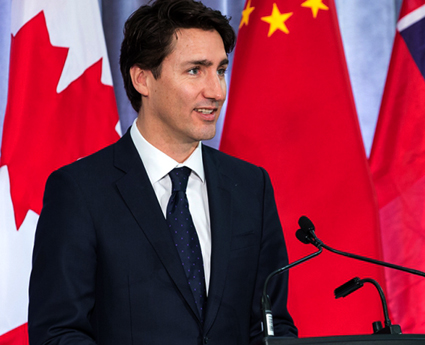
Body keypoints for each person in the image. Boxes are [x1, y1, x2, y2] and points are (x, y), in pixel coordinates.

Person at [27, 0, 297, 344]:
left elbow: (271, 325)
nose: (216, 91)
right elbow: (58, 333)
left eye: (220, 70)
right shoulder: (80, 190)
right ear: (143, 79)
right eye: (195, 70)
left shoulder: (250, 185)